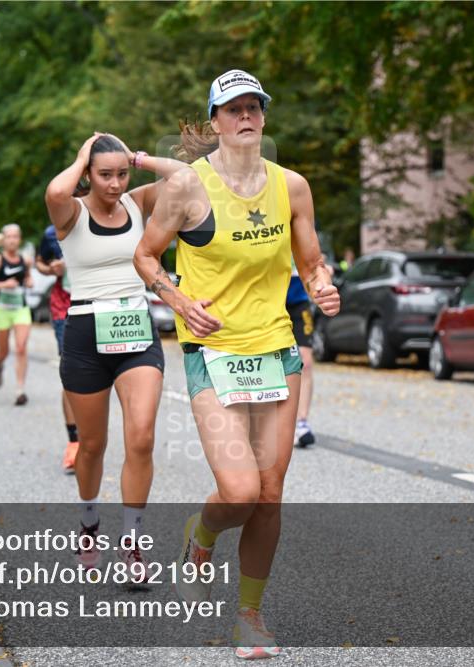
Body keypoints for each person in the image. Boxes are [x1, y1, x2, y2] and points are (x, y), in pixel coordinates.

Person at [134, 69, 340, 659]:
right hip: (213, 351)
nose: (245, 116)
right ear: (216, 121)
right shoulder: (186, 188)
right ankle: (200, 538)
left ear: (263, 118)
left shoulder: (292, 187)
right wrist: (177, 300)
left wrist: (321, 287)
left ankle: (249, 615)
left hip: (276, 349)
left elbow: (311, 262)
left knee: (269, 493)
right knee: (240, 488)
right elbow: (145, 255)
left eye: (254, 107)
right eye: (233, 109)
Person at [44, 133, 183, 581]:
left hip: (136, 330)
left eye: (122, 174)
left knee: (140, 437)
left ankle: (132, 546)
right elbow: (56, 191)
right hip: (84, 333)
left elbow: (185, 178)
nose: (115, 184)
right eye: (106, 175)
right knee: (92, 446)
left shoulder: (139, 203)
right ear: (88, 173)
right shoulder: (72, 212)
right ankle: (88, 523)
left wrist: (137, 158)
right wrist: (84, 153)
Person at [36, 223, 79, 473]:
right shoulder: (52, 232)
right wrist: (52, 268)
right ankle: (74, 441)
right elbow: (40, 262)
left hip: (102, 305)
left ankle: (93, 440)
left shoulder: (112, 218)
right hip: (65, 307)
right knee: (70, 372)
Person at [0, 224, 34, 404]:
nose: (12, 240)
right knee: (3, 351)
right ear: (3, 240)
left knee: (21, 347)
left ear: (19, 239)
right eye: (9, 237)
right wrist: (3, 285)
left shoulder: (25, 260)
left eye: (15, 236)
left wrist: (29, 281)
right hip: (2, 309)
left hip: (20, 308)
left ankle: (20, 390)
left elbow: (28, 277)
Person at [286, 263, 316, 447]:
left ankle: (301, 423)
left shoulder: (301, 232)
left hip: (298, 301)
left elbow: (314, 259)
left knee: (306, 362)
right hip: (268, 300)